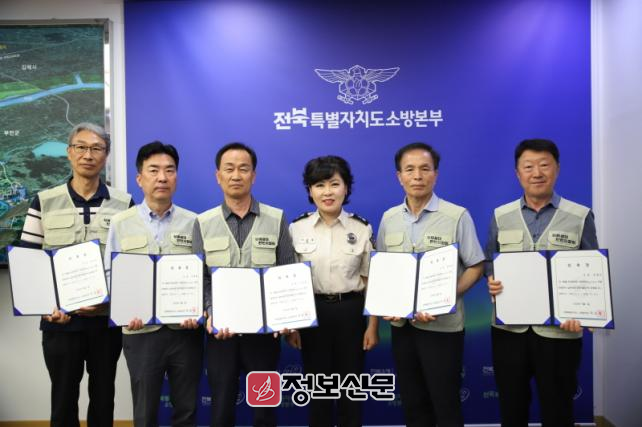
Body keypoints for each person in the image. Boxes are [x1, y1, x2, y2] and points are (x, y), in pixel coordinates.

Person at [19, 122, 133, 427]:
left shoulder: (124, 204)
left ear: (106, 155)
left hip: (104, 323)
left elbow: (130, 266)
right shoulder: (44, 201)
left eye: (96, 148)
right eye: (81, 147)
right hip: (60, 323)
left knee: (103, 399)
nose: (88, 155)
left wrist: (111, 304)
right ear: (69, 153)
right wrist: (46, 308)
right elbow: (29, 263)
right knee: (63, 400)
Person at [485, 139, 598, 426]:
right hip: (509, 330)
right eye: (528, 166)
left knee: (558, 408)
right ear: (518, 173)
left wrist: (584, 313)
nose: (537, 173)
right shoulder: (501, 215)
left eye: (544, 165)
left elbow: (592, 269)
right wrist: (491, 280)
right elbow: (489, 260)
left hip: (560, 331)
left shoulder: (579, 215)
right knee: (512, 406)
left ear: (557, 169)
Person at [376, 142, 484, 427]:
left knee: (445, 403)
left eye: (425, 169)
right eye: (409, 169)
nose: (417, 176)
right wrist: (387, 303)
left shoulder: (456, 215)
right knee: (413, 402)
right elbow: (383, 269)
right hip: (402, 327)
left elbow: (476, 265)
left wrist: (446, 295)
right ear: (399, 176)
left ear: (435, 174)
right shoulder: (389, 218)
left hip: (442, 327)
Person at [192, 142, 295, 427]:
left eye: (243, 169)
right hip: (221, 334)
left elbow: (287, 272)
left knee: (264, 410)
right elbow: (200, 277)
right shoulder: (203, 222)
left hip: (263, 336)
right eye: (229, 169)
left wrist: (285, 316)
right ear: (218, 176)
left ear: (254, 175)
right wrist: (211, 311)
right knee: (221, 409)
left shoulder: (276, 218)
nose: (236, 175)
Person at [103, 141, 202, 426]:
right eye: (154, 170)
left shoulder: (194, 221)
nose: (162, 177)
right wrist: (123, 311)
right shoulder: (121, 222)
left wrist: (196, 311)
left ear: (176, 177)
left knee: (187, 409)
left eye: (169, 170)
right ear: (139, 178)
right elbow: (111, 273)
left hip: (185, 332)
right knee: (145, 412)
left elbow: (201, 274)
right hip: (140, 331)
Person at [287, 155, 379, 427]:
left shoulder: (361, 228)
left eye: (334, 184)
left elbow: (372, 281)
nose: (327, 192)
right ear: (310, 191)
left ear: (346, 188)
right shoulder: (296, 228)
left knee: (351, 389)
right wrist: (292, 326)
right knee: (318, 391)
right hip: (312, 315)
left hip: (351, 313)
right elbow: (288, 282)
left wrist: (373, 326)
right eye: (319, 185)